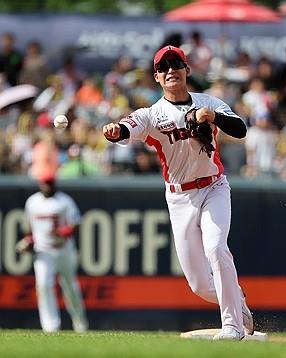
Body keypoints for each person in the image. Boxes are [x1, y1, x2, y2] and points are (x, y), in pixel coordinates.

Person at [102, 45, 253, 340]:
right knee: (198, 284)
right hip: (179, 197)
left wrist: (213, 117)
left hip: (214, 187)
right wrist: (114, 130)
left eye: (176, 64)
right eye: (164, 67)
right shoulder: (152, 113)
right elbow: (125, 128)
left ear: (187, 70)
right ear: (156, 77)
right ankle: (237, 300)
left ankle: (232, 327)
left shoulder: (208, 101)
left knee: (216, 248)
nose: (171, 70)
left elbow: (240, 129)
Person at [16, 173, 88, 333]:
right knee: (43, 285)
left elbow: (76, 223)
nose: (47, 187)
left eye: (50, 183)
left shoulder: (64, 201)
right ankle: (50, 327)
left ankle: (80, 323)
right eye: (44, 183)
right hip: (43, 251)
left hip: (64, 249)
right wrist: (28, 241)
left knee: (70, 286)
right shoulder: (33, 202)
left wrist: (63, 232)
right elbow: (30, 227)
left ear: (55, 184)